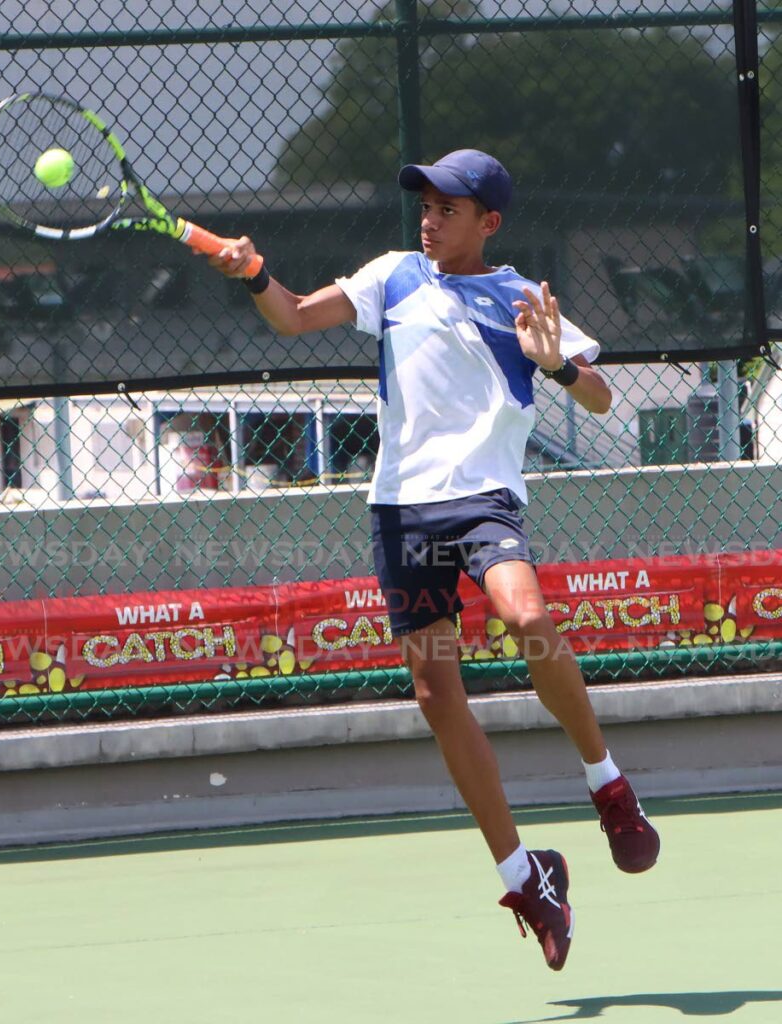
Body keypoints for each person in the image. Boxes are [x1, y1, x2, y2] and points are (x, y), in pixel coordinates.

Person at [208, 149, 660, 972]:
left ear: (488, 221)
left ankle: (608, 785)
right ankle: (527, 879)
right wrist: (252, 272)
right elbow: (294, 315)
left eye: (448, 207)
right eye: (425, 203)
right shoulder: (393, 276)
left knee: (527, 616)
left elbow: (597, 394)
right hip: (403, 512)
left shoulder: (521, 297)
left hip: (484, 500)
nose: (429, 216)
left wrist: (555, 363)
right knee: (436, 694)